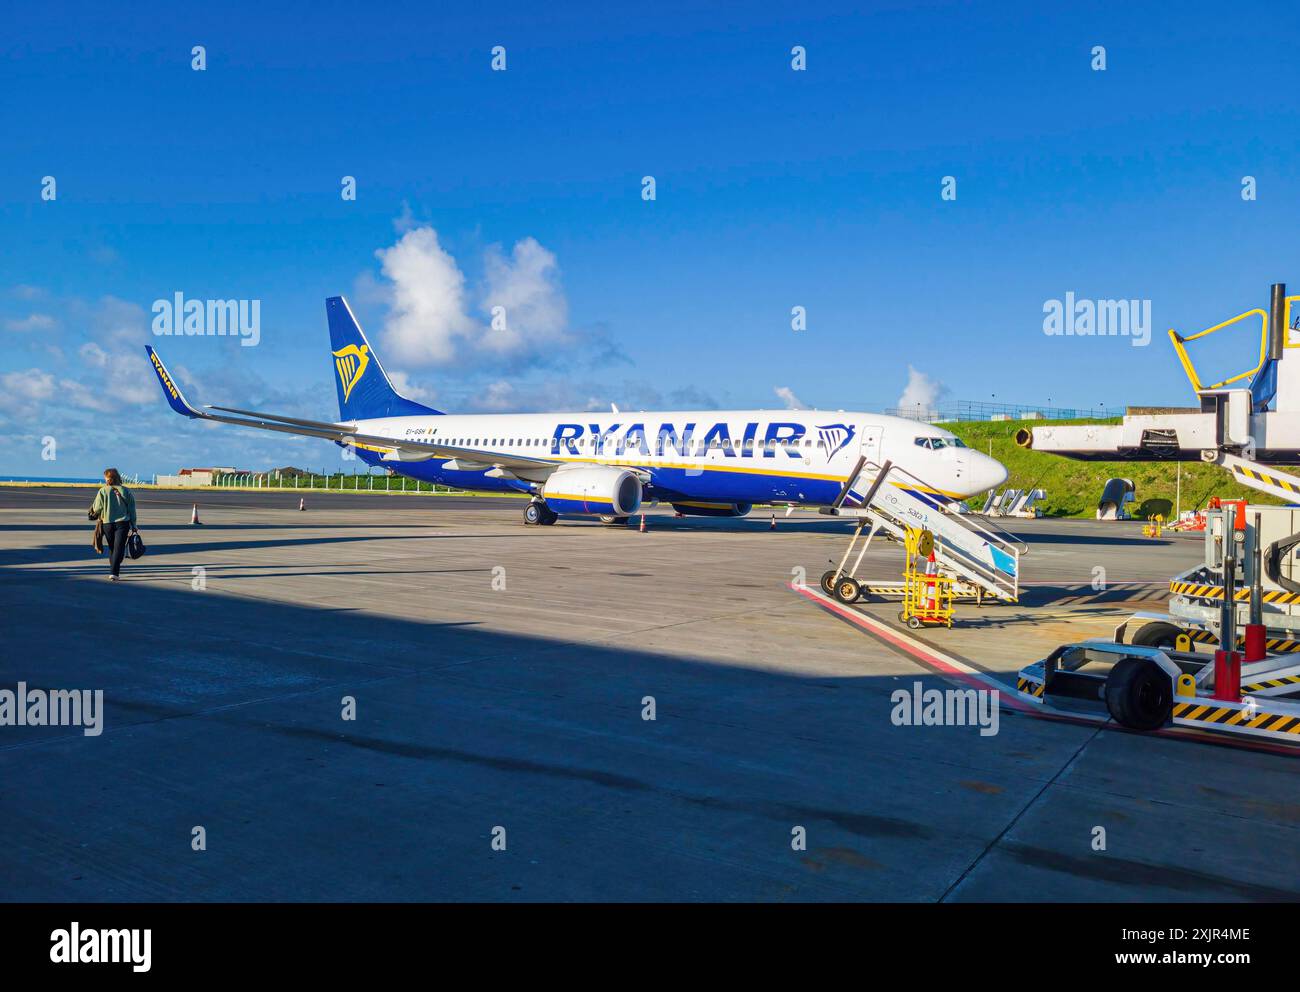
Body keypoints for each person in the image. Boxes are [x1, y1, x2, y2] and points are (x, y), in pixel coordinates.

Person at [90, 468, 137, 581]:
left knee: (112, 547)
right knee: (118, 548)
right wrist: (134, 524)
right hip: (123, 523)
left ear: (108, 478)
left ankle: (113, 570)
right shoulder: (126, 491)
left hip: (107, 523)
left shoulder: (102, 491)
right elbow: (131, 509)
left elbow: (97, 508)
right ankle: (114, 571)